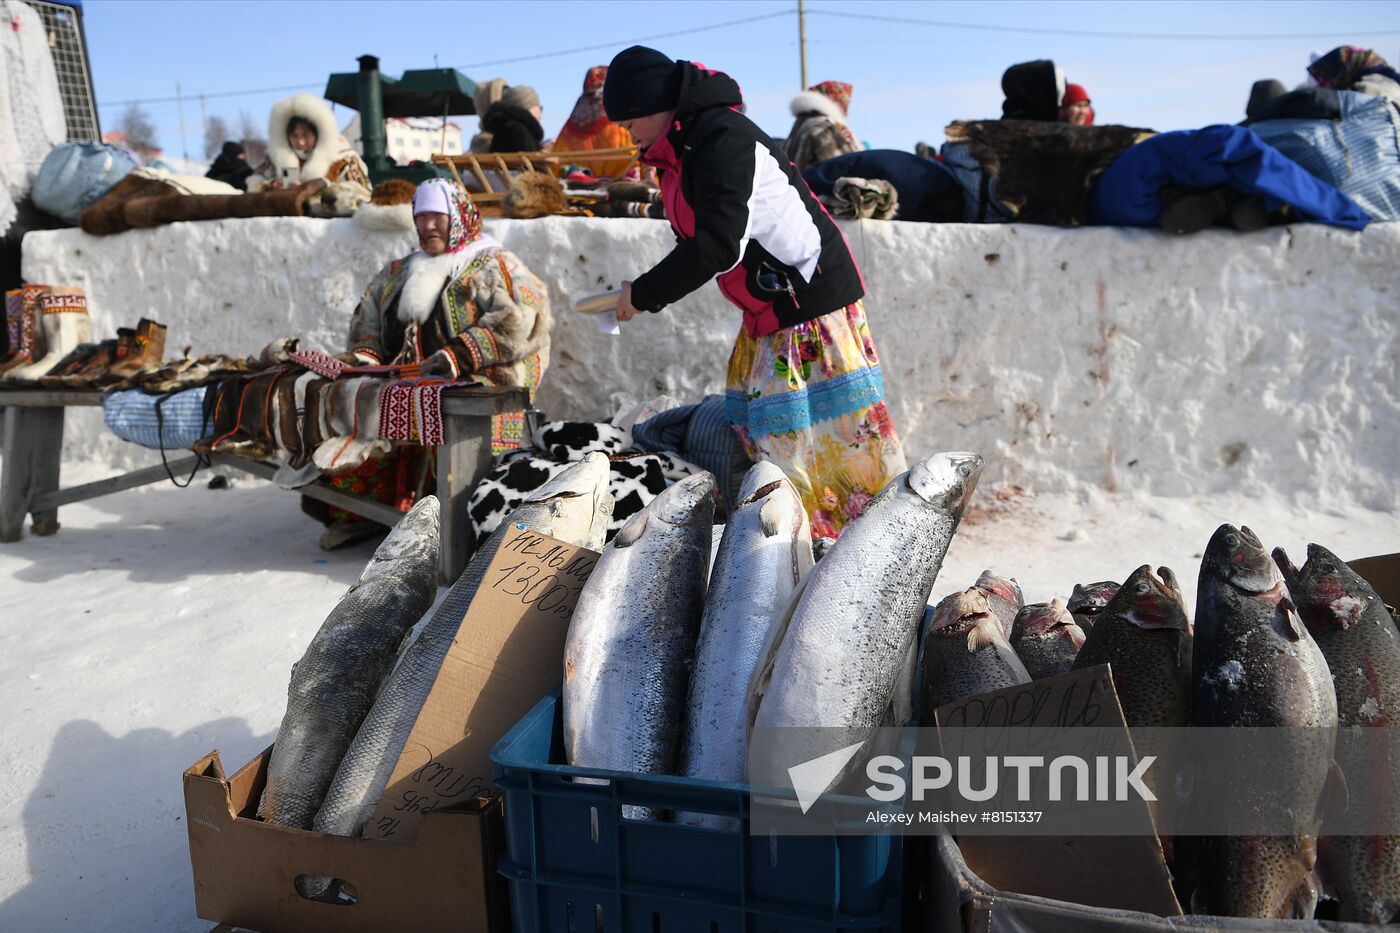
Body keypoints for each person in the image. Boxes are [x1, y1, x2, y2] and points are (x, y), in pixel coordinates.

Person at [605, 46, 906, 538]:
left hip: (808, 310)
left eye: (629, 119)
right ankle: (795, 548)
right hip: (769, 312)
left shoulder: (721, 138)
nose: (627, 132)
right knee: (768, 441)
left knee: (826, 449)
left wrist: (643, 294)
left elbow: (717, 245)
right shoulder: (683, 151)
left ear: (654, 107)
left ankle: (866, 547)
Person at [315, 178, 553, 548]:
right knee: (357, 403)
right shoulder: (398, 272)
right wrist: (366, 356)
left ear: (460, 216)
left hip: (478, 379)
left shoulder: (493, 264)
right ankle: (365, 513)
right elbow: (367, 323)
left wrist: (457, 355)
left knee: (451, 422)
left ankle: (461, 530)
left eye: (437, 217)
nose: (427, 226)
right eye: (421, 217)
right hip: (413, 380)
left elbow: (526, 319)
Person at [247, 93, 370, 197]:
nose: (300, 142)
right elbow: (255, 185)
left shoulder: (343, 159)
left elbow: (362, 193)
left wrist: (315, 189)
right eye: (294, 136)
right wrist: (273, 186)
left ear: (319, 134)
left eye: (306, 135)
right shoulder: (274, 160)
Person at [552, 66, 635, 177]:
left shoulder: (570, 127)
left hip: (575, 189)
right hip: (620, 189)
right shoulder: (622, 122)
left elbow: (556, 164)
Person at [784, 80, 861, 173]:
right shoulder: (824, 127)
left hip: (798, 185)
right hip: (815, 187)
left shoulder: (800, 126)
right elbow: (837, 168)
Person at [1308, 46, 1400, 107]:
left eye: (1325, 82)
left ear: (1340, 71)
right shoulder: (1386, 79)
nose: (1326, 88)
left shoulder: (1366, 90)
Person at [481, 85, 546, 153]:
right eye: (539, 107)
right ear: (528, 107)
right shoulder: (517, 130)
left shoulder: (503, 128)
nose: (540, 113)